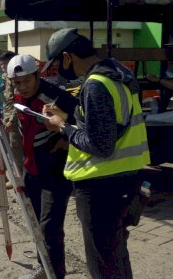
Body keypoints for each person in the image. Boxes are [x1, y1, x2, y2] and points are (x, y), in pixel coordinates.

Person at [42, 28, 150, 279]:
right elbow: (111, 126)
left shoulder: (95, 85)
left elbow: (100, 145)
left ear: (68, 57)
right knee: (116, 258)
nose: (58, 70)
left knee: (103, 265)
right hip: (125, 179)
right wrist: (71, 117)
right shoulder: (119, 74)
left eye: (58, 63)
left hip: (101, 187)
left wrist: (62, 127)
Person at [7, 55, 77, 279]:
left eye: (27, 80)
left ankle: (55, 274)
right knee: (35, 224)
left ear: (37, 75)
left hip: (55, 172)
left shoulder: (55, 96)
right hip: (32, 171)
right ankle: (43, 268)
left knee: (50, 228)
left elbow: (81, 119)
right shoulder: (18, 95)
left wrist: (66, 138)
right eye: (17, 82)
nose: (22, 87)